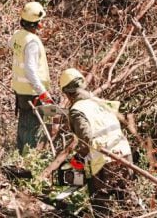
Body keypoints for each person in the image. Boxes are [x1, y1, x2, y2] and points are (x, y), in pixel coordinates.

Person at [59, 68, 135, 217]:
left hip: (103, 161)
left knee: (101, 205)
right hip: (125, 154)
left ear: (67, 93)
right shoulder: (101, 102)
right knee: (127, 202)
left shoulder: (76, 110)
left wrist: (75, 161)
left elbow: (86, 141)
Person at [11, 1, 53, 153]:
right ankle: (27, 163)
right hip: (32, 91)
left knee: (24, 123)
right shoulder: (32, 42)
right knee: (33, 128)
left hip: (20, 90)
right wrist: (42, 91)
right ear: (37, 23)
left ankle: (20, 155)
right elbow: (30, 69)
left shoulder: (17, 36)